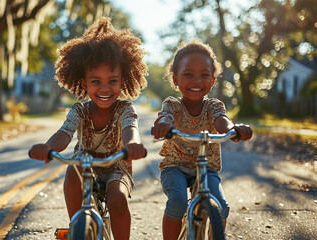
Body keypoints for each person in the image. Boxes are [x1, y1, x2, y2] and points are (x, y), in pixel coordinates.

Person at [28, 17, 148, 239]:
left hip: (116, 166)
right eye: (96, 81)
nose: (105, 88)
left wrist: (132, 144)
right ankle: (77, 228)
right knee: (72, 170)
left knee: (117, 199)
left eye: (112, 81)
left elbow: (131, 128)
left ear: (123, 82)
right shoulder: (80, 111)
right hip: (84, 164)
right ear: (84, 83)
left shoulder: (124, 109)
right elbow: (64, 133)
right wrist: (47, 147)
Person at [151, 38, 253, 239]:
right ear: (175, 79)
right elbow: (165, 116)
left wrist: (234, 130)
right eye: (188, 74)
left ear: (212, 80)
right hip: (175, 166)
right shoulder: (173, 105)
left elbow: (222, 120)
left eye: (204, 75)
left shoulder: (214, 105)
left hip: (206, 167)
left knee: (221, 206)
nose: (197, 81)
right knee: (178, 202)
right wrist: (164, 124)